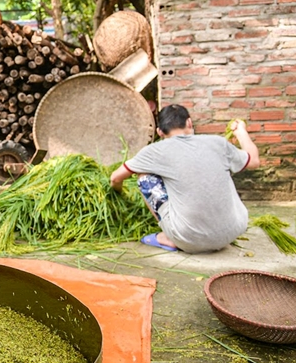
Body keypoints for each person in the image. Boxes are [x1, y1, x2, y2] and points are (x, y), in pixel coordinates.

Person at [110, 104, 260, 253]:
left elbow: (115, 178)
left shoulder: (154, 151)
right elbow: (253, 161)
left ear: (159, 132)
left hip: (189, 239)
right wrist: (241, 132)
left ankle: (170, 237)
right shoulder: (217, 143)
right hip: (234, 231)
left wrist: (121, 196)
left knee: (144, 177)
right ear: (189, 122)